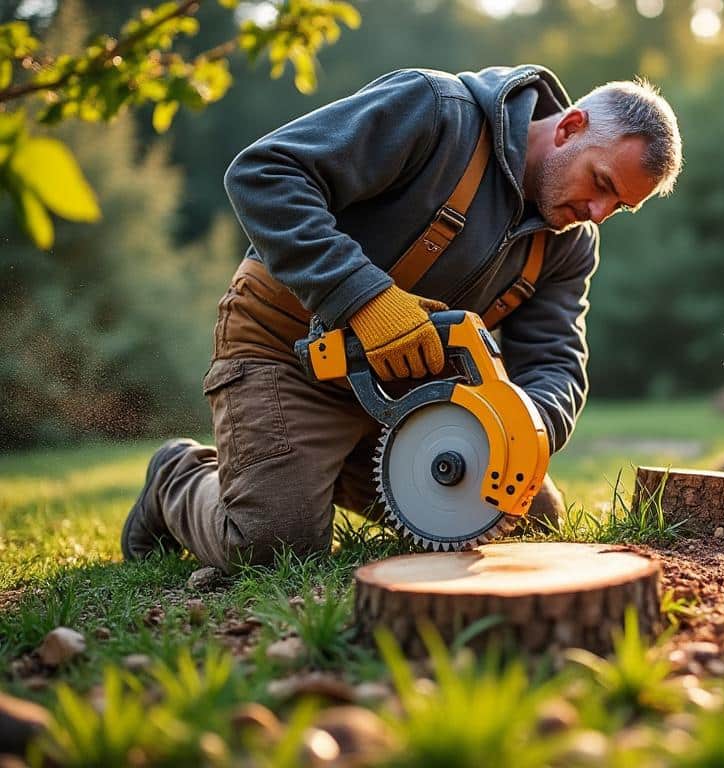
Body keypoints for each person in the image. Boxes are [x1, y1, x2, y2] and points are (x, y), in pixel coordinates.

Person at [120, 65, 682, 571]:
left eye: (619, 207)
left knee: (527, 520)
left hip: (418, 397)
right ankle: (179, 475)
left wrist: (521, 429)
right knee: (271, 544)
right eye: (602, 184)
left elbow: (554, 360)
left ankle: (312, 465)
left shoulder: (570, 242)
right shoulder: (437, 113)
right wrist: (364, 298)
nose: (597, 214)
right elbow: (265, 173)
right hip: (288, 352)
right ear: (569, 128)